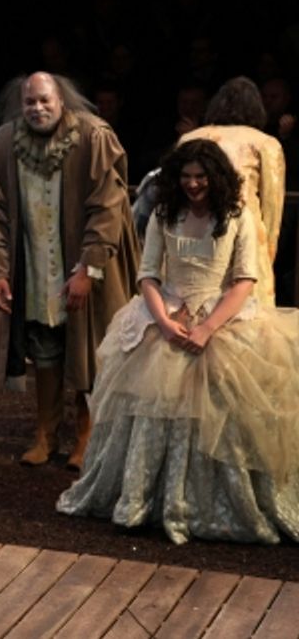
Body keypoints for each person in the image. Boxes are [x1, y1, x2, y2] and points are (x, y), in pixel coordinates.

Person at [58, 140, 299, 544]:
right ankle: (143, 499)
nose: (193, 184)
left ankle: (209, 505)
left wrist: (208, 328)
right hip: (167, 311)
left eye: (200, 176)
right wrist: (165, 323)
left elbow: (244, 280)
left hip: (221, 315)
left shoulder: (236, 216)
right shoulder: (164, 213)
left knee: (223, 404)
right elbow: (148, 274)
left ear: (215, 177)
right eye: (186, 176)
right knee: (154, 404)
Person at [0, 72, 139, 469]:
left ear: (61, 100)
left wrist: (88, 268)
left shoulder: (92, 137)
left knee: (87, 348)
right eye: (30, 101)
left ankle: (86, 435)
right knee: (43, 344)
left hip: (84, 266)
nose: (37, 108)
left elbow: (108, 206)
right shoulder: (4, 144)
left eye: (45, 100)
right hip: (35, 266)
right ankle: (45, 434)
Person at [177, 76, 285, 307]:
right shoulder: (265, 143)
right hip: (245, 235)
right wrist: (266, 258)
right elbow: (272, 205)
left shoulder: (189, 138)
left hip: (191, 233)